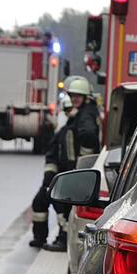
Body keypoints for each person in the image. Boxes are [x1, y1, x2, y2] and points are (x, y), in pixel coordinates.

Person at [29, 76, 100, 251]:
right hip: (66, 173)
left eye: (78, 96)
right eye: (72, 96)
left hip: (75, 173)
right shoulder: (72, 122)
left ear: (86, 97)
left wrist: (81, 165)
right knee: (42, 202)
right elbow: (54, 153)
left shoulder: (85, 115)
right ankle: (41, 237)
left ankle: (63, 239)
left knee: (64, 208)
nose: (74, 100)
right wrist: (49, 175)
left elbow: (89, 137)